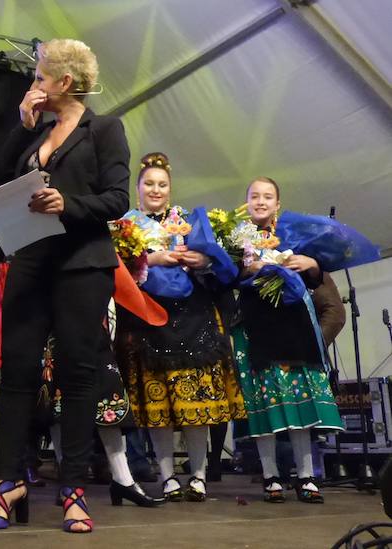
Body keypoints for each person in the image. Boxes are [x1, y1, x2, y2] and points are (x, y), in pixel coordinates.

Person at [0, 39, 156, 535]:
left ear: (63, 82)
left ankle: (74, 488)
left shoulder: (104, 128)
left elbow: (117, 199)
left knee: (79, 378)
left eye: (39, 76)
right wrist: (23, 127)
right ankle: (9, 483)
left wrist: (68, 204)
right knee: (17, 374)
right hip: (31, 261)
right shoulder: (33, 132)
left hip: (82, 264)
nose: (34, 84)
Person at [115, 152, 245, 502]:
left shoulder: (188, 222)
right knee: (160, 408)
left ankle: (199, 475)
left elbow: (222, 270)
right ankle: (168, 477)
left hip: (194, 318)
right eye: (149, 184)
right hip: (149, 320)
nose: (155, 190)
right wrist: (150, 259)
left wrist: (204, 260)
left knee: (195, 406)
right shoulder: (124, 227)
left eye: (162, 184)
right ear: (137, 188)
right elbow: (113, 276)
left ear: (170, 189)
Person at [234, 177, 343, 504]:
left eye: (268, 196)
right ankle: (271, 477)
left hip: (293, 327)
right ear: (247, 202)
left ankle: (306, 475)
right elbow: (224, 277)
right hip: (256, 327)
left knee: (300, 406)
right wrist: (246, 269)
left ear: (278, 203)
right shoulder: (235, 238)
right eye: (255, 196)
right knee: (263, 406)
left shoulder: (295, 234)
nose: (261, 201)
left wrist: (311, 263)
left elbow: (316, 274)